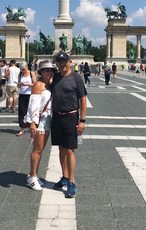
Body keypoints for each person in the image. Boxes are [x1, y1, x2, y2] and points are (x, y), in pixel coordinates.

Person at [51, 52, 87, 198]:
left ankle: (71, 182)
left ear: (70, 62)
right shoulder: (56, 77)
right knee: (61, 148)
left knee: (70, 150)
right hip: (57, 116)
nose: (62, 64)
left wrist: (82, 121)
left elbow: (83, 100)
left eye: (64, 61)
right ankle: (64, 177)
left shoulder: (77, 78)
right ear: (57, 64)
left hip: (71, 117)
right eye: (59, 62)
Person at [25, 60, 56, 190]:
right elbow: (33, 105)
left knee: (41, 149)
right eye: (46, 70)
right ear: (41, 72)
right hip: (39, 120)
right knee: (37, 149)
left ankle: (34, 174)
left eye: (51, 70)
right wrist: (33, 123)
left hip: (48, 119)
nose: (49, 72)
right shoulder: (38, 84)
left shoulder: (50, 84)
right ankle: (32, 178)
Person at [16, 64, 36, 136]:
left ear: (27, 67)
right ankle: (22, 129)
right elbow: (18, 85)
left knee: (31, 111)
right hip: (22, 94)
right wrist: (19, 84)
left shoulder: (31, 73)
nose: (22, 71)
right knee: (21, 111)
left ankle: (32, 126)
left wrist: (27, 84)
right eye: (21, 69)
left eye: (23, 69)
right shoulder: (20, 74)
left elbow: (35, 84)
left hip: (30, 94)